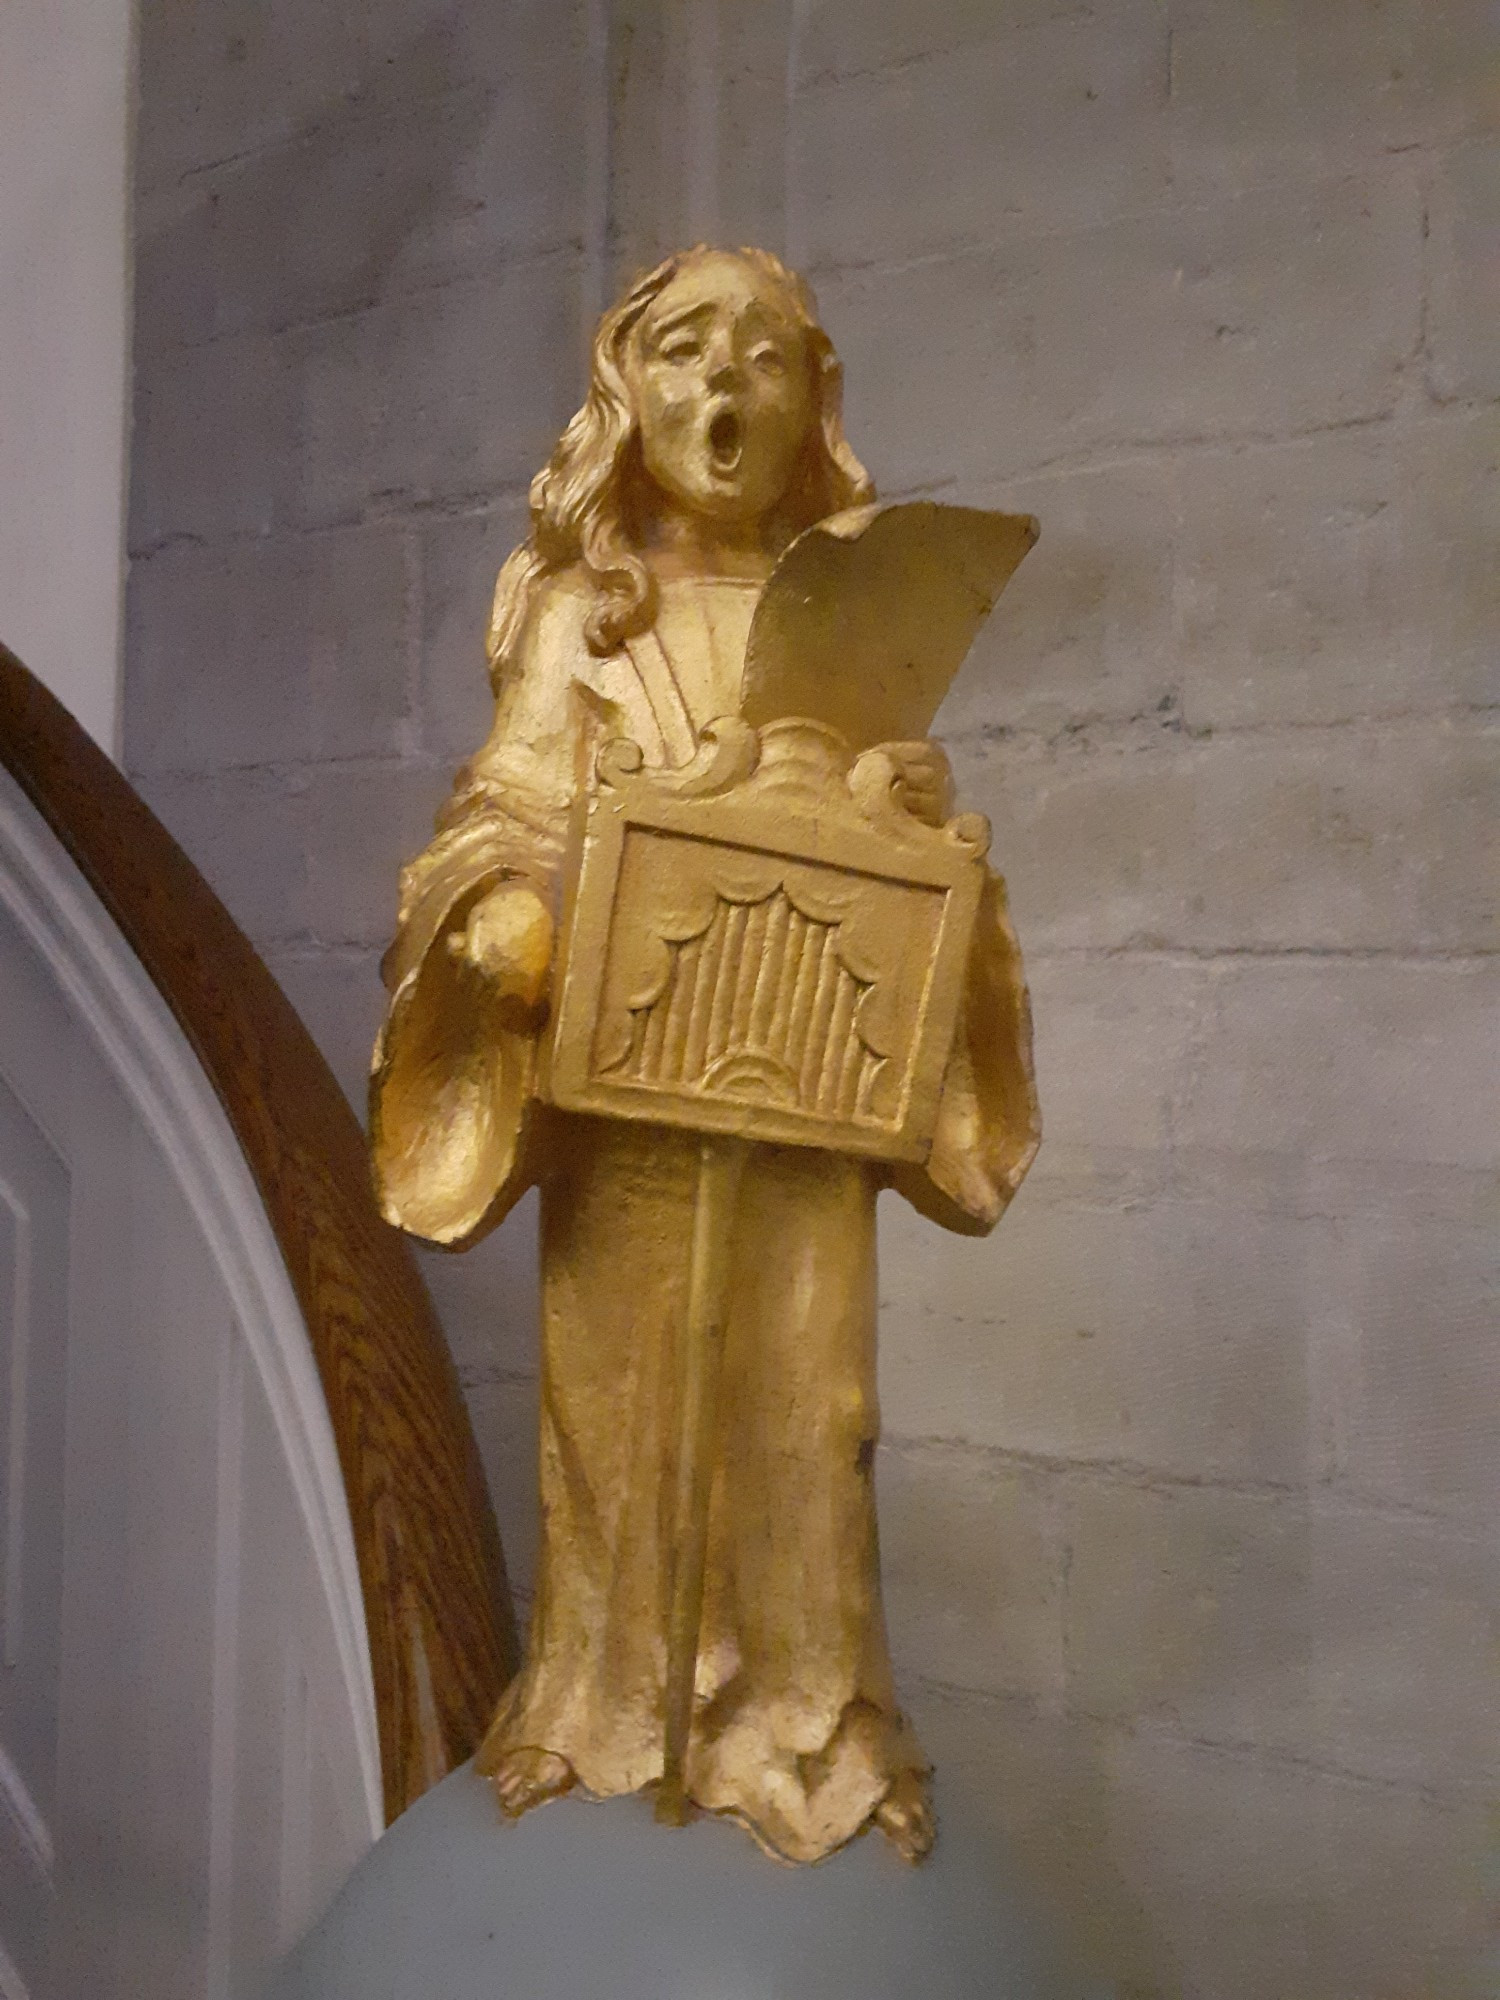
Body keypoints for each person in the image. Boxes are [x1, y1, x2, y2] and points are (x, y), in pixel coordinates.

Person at [370, 246, 1040, 1865]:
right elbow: (505, 809)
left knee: (814, 1412)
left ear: (815, 402)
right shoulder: (582, 620)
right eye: (681, 352)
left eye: (763, 361)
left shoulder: (855, 616)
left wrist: (912, 837)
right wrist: (509, 911)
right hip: (629, 1117)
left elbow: (899, 837)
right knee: (623, 1425)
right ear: (623, 392)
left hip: (807, 1100)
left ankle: (813, 1724)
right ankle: (601, 1711)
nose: (722, 392)